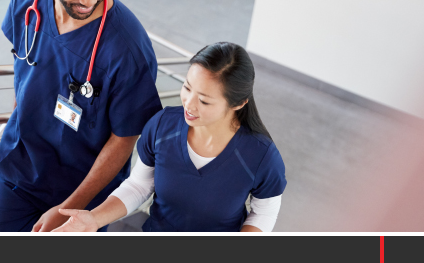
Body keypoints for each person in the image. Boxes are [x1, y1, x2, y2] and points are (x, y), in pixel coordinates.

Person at [0, 0, 162, 232]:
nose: (89, 0)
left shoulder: (128, 49)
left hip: (83, 192)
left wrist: (70, 209)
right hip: (18, 170)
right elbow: (22, 65)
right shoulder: (27, 1)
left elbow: (124, 138)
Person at [53, 42, 287, 232]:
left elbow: (264, 212)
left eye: (204, 100)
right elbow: (139, 185)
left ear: (239, 103)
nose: (189, 104)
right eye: (187, 87)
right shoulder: (162, 126)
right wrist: (94, 219)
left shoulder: (260, 156)